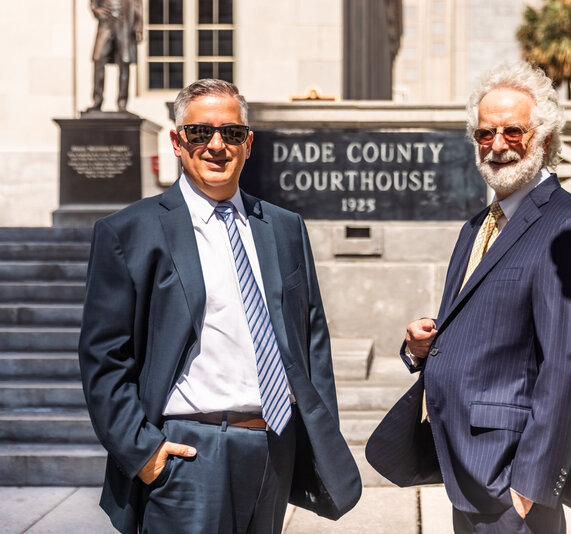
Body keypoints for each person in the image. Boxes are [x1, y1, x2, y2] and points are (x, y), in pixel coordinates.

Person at [79, 79, 361, 534]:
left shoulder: (284, 227)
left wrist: (313, 436)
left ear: (248, 144)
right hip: (187, 457)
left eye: (231, 133)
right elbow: (103, 357)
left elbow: (312, 340)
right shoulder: (130, 232)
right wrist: (142, 450)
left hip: (273, 450)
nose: (216, 145)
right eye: (199, 133)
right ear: (176, 141)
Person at [367, 62, 571, 533]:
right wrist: (422, 346)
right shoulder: (476, 226)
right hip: (464, 466)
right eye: (485, 134)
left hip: (511, 478)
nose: (497, 145)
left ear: (543, 135)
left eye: (512, 132)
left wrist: (529, 485)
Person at [87, 0, 143, 111]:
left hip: (124, 22)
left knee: (124, 61)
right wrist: (97, 10)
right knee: (99, 59)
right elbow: (93, 3)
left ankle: (122, 102)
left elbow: (138, 5)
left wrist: (139, 27)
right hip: (106, 22)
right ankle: (97, 100)